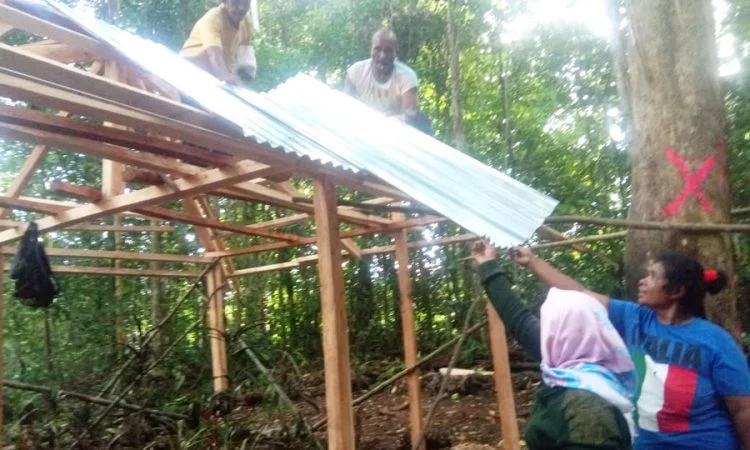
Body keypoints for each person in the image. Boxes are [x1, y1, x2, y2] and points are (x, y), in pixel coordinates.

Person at [503, 245, 750, 450]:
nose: (643, 281)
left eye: (653, 276)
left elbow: (742, 409)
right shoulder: (634, 317)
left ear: (676, 291)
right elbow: (579, 292)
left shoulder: (716, 341)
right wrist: (532, 261)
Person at [472, 240, 635, 450]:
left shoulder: (586, 409)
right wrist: (488, 265)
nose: (545, 331)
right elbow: (518, 319)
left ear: (559, 335)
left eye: (550, 324)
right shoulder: (575, 369)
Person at [344, 29, 433, 135]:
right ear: (371, 50)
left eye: (388, 50)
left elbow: (409, 116)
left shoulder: (407, 77)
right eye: (377, 49)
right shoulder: (356, 71)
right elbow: (345, 106)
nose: (382, 56)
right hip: (359, 130)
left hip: (393, 134)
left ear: (396, 53)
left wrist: (391, 120)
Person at [180, 0, 256, 85]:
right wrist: (227, 78)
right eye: (235, 2)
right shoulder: (212, 18)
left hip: (214, 79)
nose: (241, 7)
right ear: (225, 2)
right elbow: (214, 55)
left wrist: (240, 83)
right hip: (189, 73)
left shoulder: (247, 21)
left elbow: (244, 58)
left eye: (245, 3)